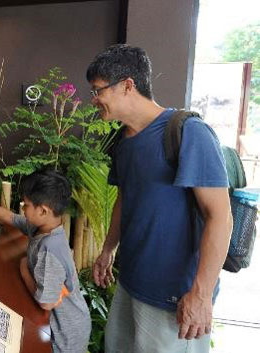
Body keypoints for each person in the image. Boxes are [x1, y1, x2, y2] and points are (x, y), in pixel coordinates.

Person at [87, 44, 232, 353]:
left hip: (174, 297)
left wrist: (201, 295)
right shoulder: (121, 142)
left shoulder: (189, 132)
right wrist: (108, 250)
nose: (94, 100)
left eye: (98, 90)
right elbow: (125, 200)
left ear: (128, 85)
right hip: (131, 283)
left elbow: (221, 217)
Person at [0, 170, 91, 353]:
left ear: (43, 210)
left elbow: (47, 302)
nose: (22, 209)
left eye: (26, 205)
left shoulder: (50, 251)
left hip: (67, 334)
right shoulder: (41, 227)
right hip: (63, 323)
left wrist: (24, 271)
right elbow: (10, 218)